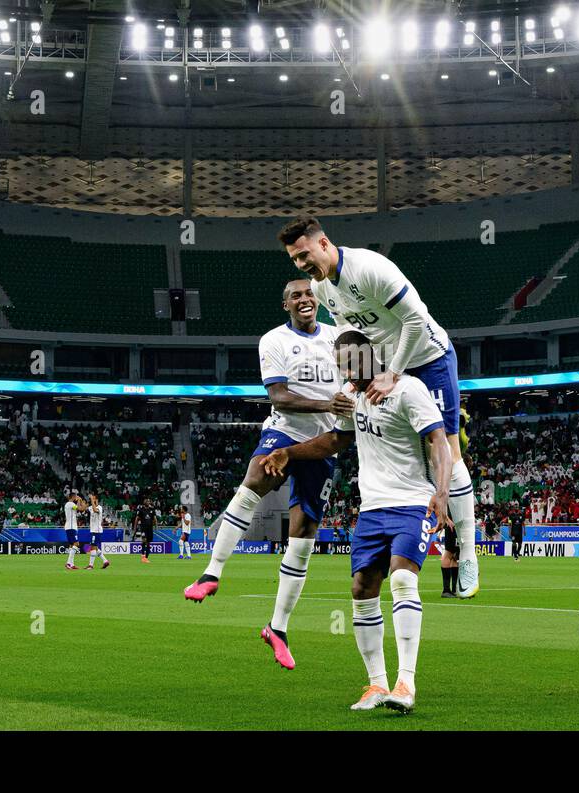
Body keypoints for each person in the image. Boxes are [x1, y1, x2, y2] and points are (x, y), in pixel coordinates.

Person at [278, 217, 480, 599]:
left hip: (427, 357)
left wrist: (393, 372)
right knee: (417, 453)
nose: (302, 264)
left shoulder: (369, 268)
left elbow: (417, 320)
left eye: (304, 254)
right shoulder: (323, 288)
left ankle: (467, 551)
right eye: (294, 259)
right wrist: (355, 377)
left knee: (448, 447)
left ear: (323, 243)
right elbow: (354, 335)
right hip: (385, 365)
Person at [259, 330, 453, 714]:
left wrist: (442, 492)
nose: (344, 369)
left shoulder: (408, 389)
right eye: (340, 363)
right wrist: (289, 454)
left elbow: (439, 441)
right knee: (362, 589)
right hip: (372, 510)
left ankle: (406, 682)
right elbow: (333, 441)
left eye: (349, 361)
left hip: (413, 504)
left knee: (401, 578)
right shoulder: (350, 397)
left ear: (370, 355)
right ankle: (377, 684)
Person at [184, 279, 351, 671]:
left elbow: (356, 377)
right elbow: (279, 396)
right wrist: (330, 401)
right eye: (296, 296)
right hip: (284, 429)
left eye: (309, 294)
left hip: (324, 440)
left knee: (304, 533)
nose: (305, 299)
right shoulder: (273, 340)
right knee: (255, 479)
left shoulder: (339, 336)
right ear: (285, 305)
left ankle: (278, 628)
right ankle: (212, 571)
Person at [84, 494, 110, 570]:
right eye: (92, 499)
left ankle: (91, 565)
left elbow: (95, 510)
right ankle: (105, 561)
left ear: (97, 499)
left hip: (97, 531)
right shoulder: (91, 508)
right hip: (93, 530)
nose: (92, 500)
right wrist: (81, 501)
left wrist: (92, 499)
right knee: (95, 547)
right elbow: (83, 509)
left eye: (94, 498)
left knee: (93, 547)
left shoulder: (99, 508)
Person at [63, 493, 84, 571]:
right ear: (73, 497)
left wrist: (79, 501)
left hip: (71, 527)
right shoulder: (70, 504)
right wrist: (80, 500)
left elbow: (78, 508)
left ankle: (71, 564)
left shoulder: (70, 504)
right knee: (76, 544)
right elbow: (80, 509)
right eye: (75, 496)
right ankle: (68, 563)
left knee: (72, 545)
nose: (76, 497)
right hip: (71, 527)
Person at [135, 499, 156, 564]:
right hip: (143, 528)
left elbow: (154, 519)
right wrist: (135, 527)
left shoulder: (152, 510)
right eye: (147, 501)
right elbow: (137, 518)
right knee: (144, 540)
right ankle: (143, 556)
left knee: (148, 543)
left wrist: (155, 525)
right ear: (144, 503)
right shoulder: (141, 510)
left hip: (150, 528)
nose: (148, 502)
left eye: (149, 501)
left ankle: (146, 558)